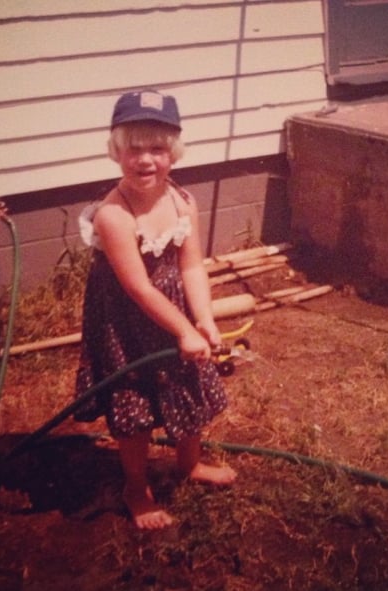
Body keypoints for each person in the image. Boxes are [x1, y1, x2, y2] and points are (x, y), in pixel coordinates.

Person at [74, 89, 236, 529]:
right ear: (116, 152)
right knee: (136, 404)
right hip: (126, 320)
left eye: (158, 149)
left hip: (176, 311)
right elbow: (140, 288)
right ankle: (135, 488)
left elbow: (192, 267)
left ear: (174, 153)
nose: (146, 160)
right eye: (134, 149)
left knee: (190, 385)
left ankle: (189, 464)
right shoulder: (113, 216)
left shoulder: (183, 201)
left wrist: (202, 320)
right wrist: (182, 329)